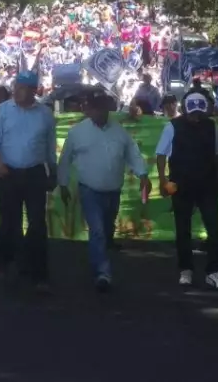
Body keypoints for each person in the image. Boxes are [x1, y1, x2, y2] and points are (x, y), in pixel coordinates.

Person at [58, 89, 150, 292]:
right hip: (89, 189)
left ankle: (102, 251)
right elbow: (65, 160)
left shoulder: (119, 132)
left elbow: (132, 154)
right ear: (88, 109)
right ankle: (102, 272)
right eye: (97, 108)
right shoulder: (77, 133)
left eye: (105, 108)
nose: (102, 112)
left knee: (106, 228)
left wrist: (143, 175)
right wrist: (63, 185)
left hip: (113, 190)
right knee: (97, 230)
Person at [0, 69, 57, 293]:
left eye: (22, 88)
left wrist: (53, 172)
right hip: (8, 172)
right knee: (8, 222)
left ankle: (38, 273)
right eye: (16, 87)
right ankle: (6, 263)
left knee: (37, 223)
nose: (17, 91)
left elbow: (49, 148)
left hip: (35, 173)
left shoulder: (45, 114)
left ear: (34, 91)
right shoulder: (3, 110)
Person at [155, 88, 218, 289]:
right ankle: (185, 269)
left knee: (214, 229)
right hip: (180, 185)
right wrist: (163, 181)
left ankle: (214, 271)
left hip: (207, 184)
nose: (196, 116)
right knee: (183, 230)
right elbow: (160, 155)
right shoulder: (172, 126)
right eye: (193, 112)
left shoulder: (213, 127)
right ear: (187, 109)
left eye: (199, 112)